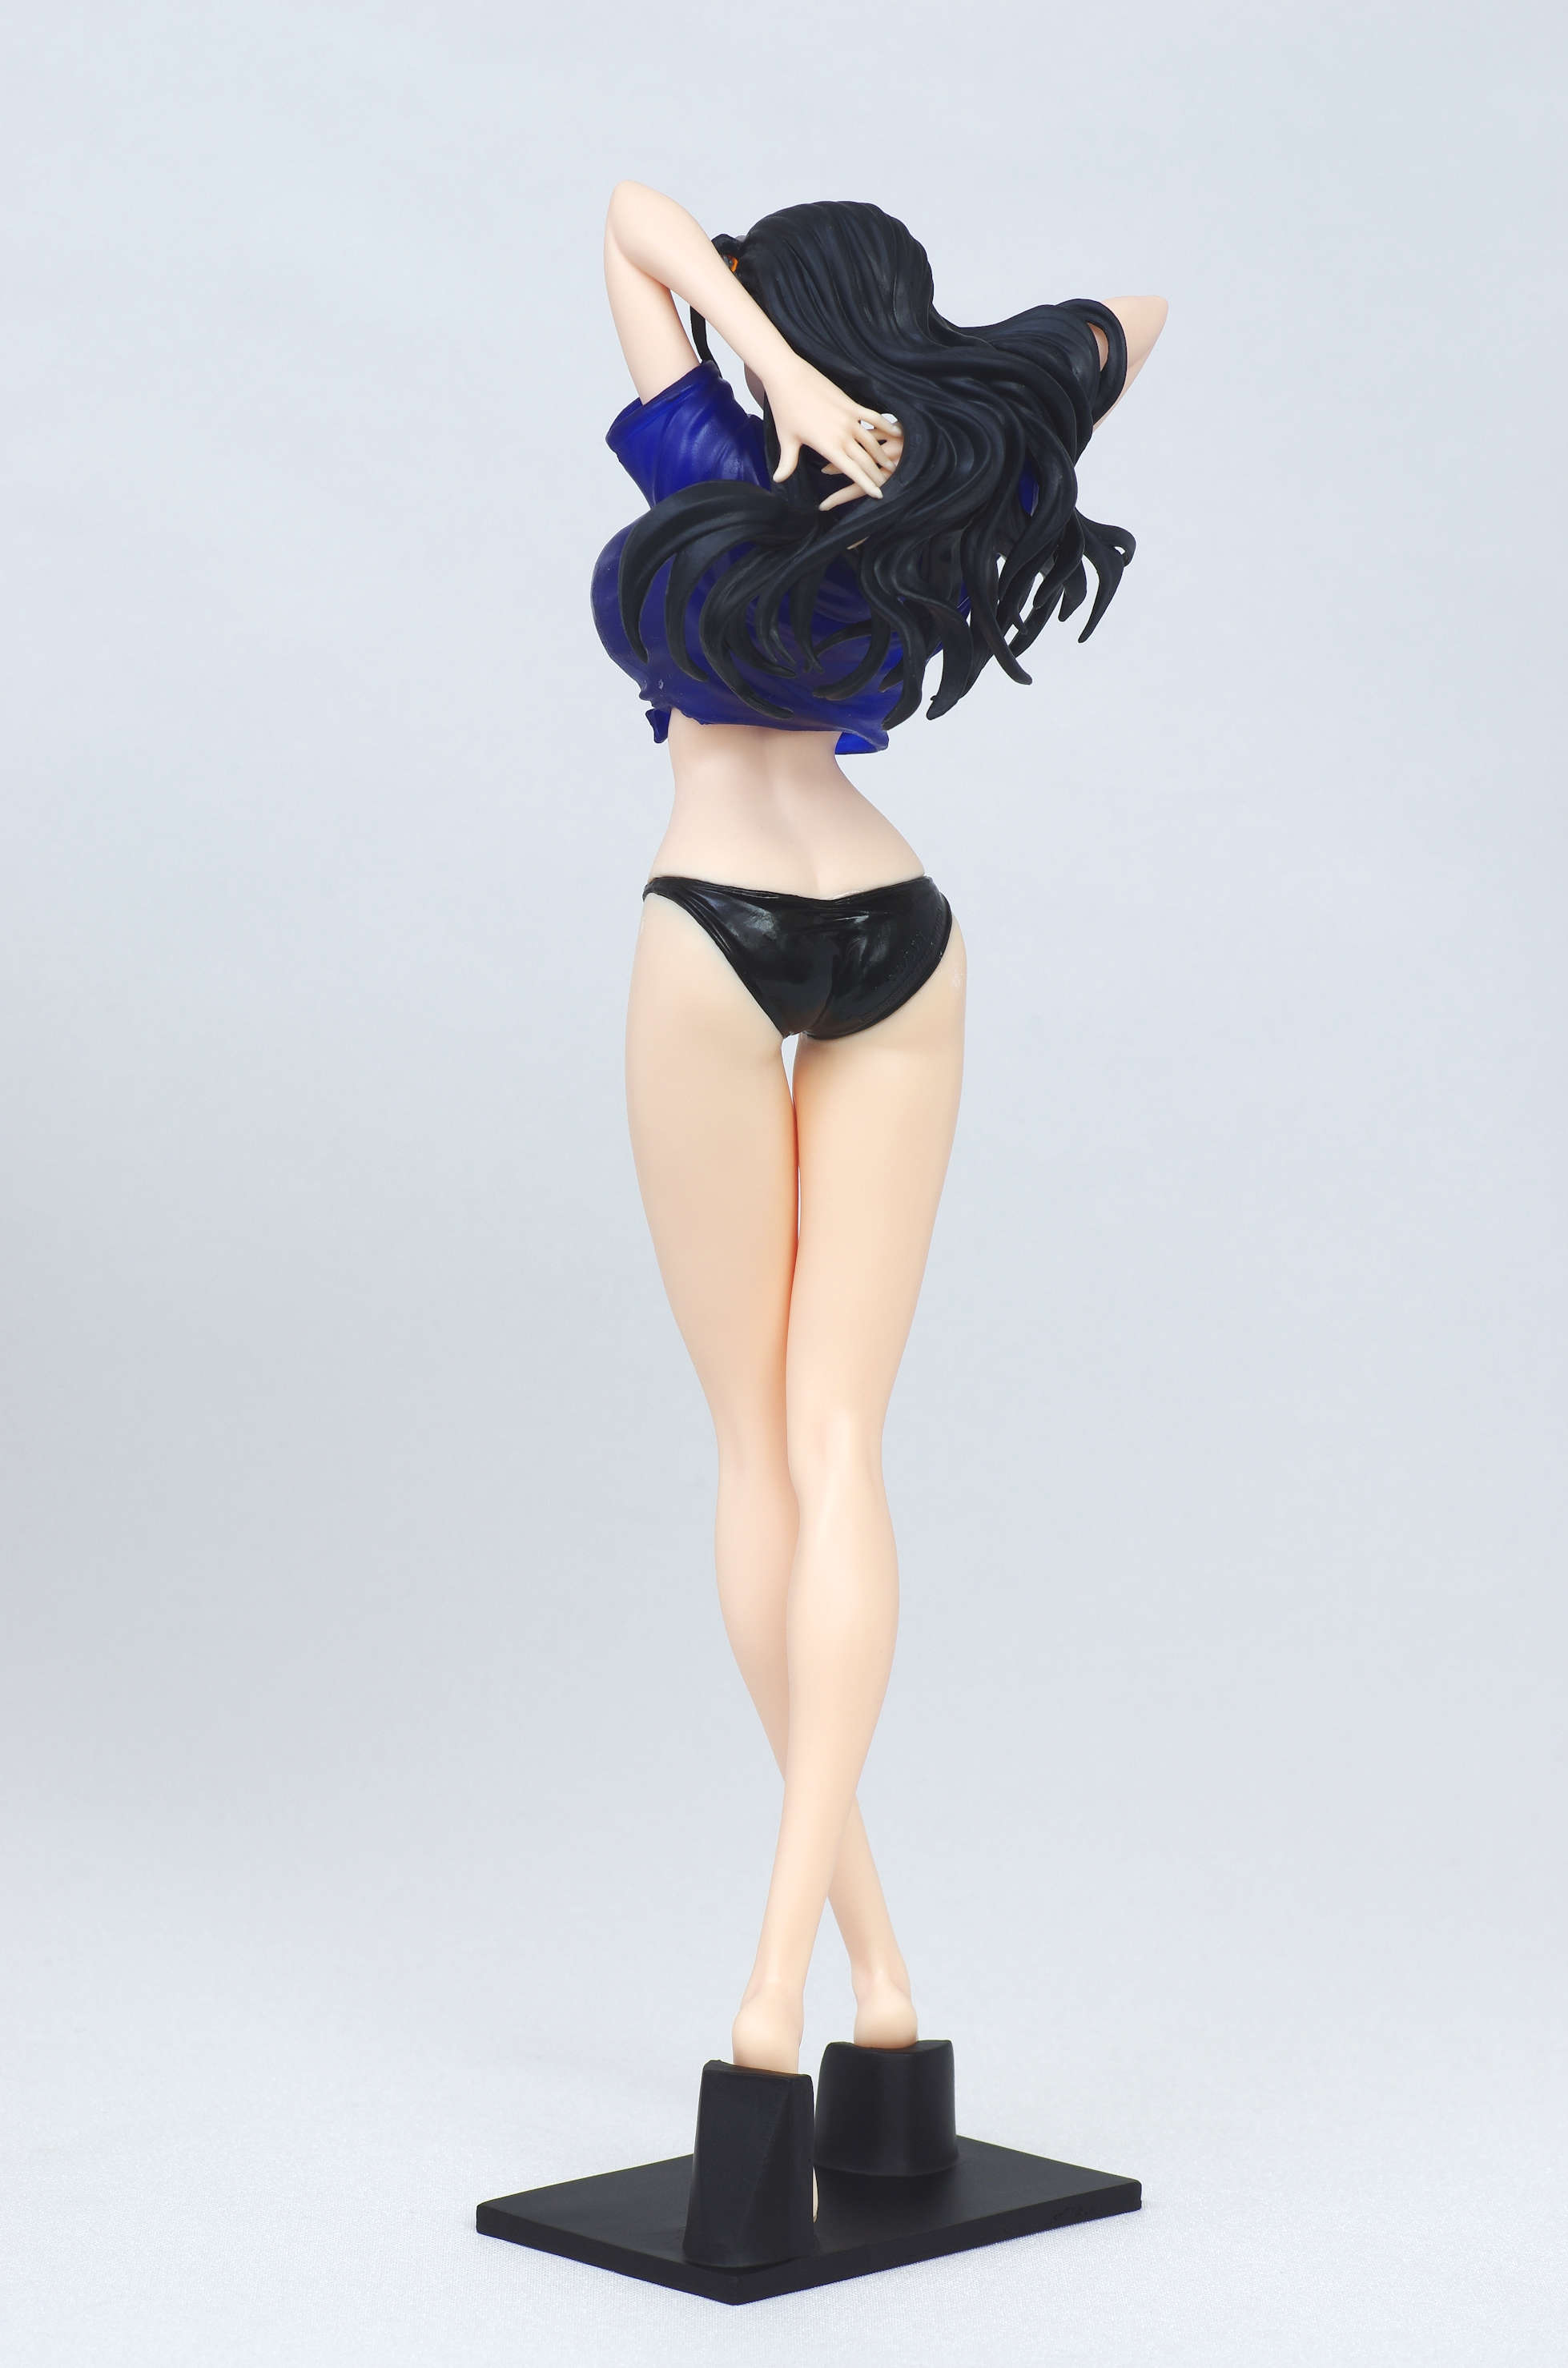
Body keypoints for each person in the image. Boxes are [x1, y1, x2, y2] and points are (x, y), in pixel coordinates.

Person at [598, 179, 1168, 2092]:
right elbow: (1136, 316)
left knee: (757, 1450)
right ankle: (866, 1973)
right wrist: (945, 389)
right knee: (839, 1443)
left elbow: (629, 218)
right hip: (896, 927)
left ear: (766, 309)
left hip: (714, 923)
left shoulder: (705, 445)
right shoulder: (936, 469)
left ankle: (783, 1991)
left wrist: (770, 367)